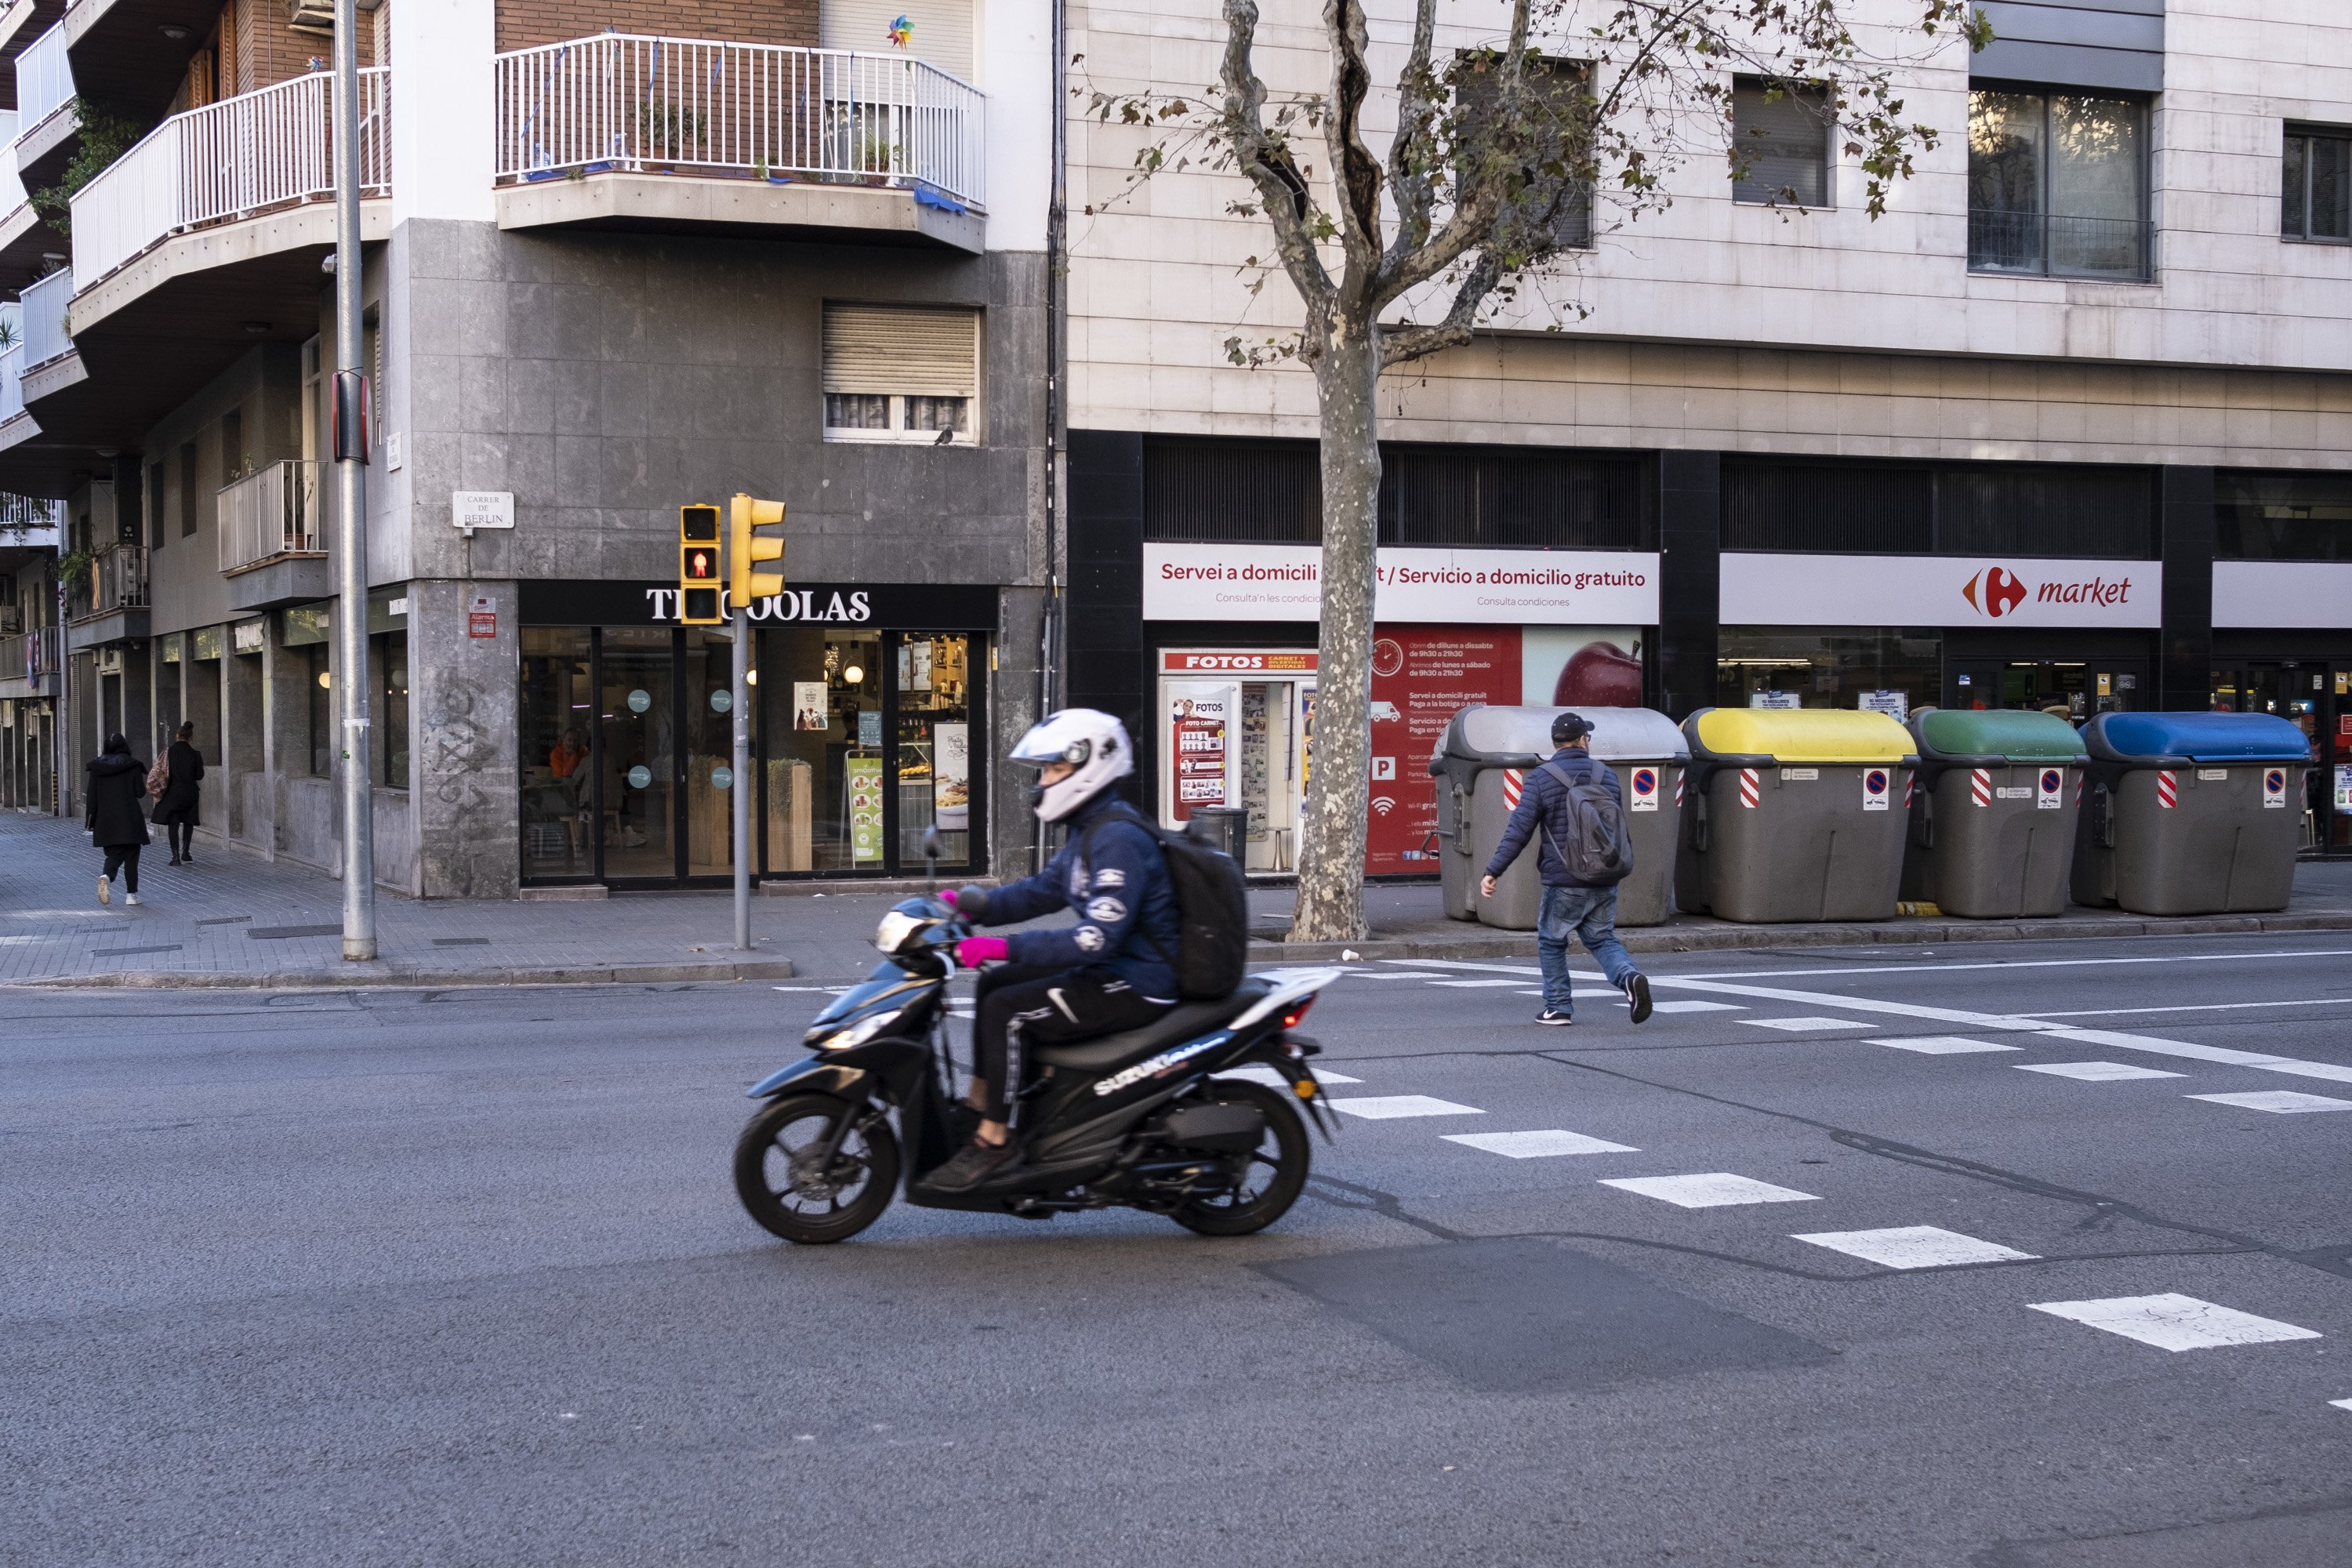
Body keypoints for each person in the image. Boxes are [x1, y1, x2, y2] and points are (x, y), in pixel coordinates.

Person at [925, 708, 1181, 1192]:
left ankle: (994, 1140)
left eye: (1053, 769)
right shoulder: (1092, 828)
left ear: (1088, 766)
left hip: (1139, 982)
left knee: (1008, 1010)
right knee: (995, 985)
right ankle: (980, 1105)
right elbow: (1044, 890)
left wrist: (1002, 946)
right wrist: (972, 906)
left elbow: (1093, 939)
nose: (1043, 781)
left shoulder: (1119, 839)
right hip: (1113, 969)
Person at [1480, 711, 1653, 1027]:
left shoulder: (1542, 778)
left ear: (1555, 742)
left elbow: (1518, 831)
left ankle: (1558, 1007)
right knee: (1602, 938)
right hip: (1605, 874)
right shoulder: (1607, 775)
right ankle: (1628, 977)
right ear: (1582, 740)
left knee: (1552, 940)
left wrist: (1494, 870)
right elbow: (1616, 828)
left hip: (1565, 878)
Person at [85, 733, 153, 907]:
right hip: (129, 817)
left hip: (106, 819)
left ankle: (106, 876)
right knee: (131, 855)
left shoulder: (97, 767)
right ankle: (132, 895)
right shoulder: (132, 765)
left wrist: (90, 822)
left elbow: (92, 797)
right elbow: (139, 792)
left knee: (114, 854)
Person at [151, 721, 205, 865]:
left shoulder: (168, 753)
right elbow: (199, 775)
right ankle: (186, 852)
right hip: (190, 793)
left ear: (177, 735)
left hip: (172, 793)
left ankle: (175, 856)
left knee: (173, 824)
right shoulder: (195, 754)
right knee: (188, 822)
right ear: (190, 737)